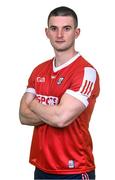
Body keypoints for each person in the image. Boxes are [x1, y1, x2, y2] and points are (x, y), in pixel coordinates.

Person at [19, 6, 100, 180]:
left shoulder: (86, 72)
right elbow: (23, 116)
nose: (60, 35)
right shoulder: (38, 70)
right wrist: (55, 110)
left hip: (75, 170)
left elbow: (61, 119)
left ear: (77, 32)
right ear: (47, 32)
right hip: (41, 167)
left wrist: (33, 104)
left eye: (67, 28)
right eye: (54, 29)